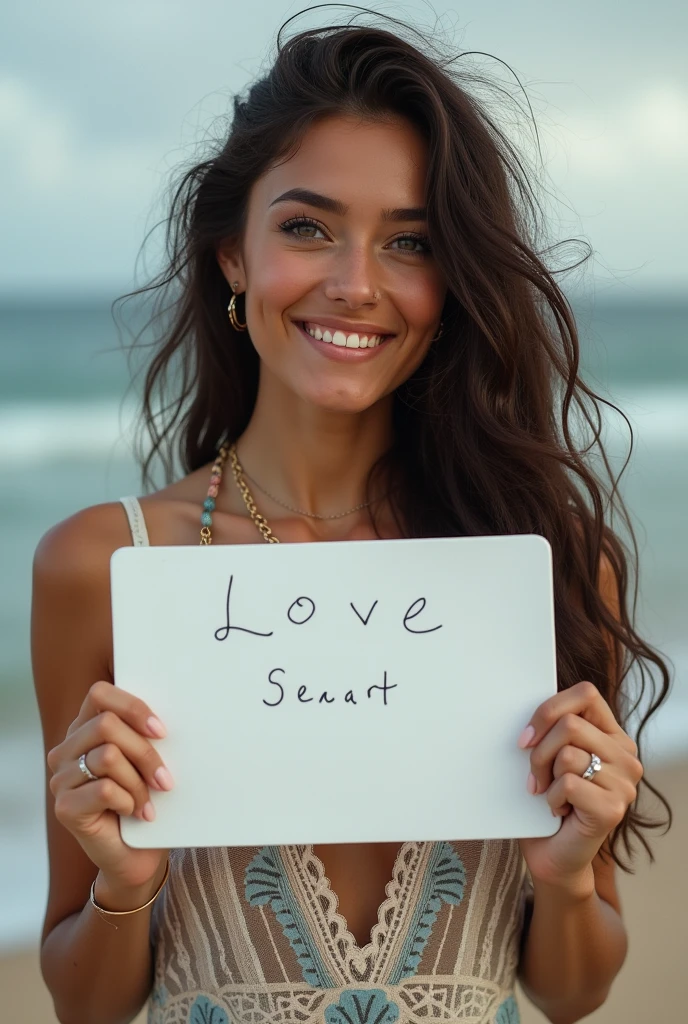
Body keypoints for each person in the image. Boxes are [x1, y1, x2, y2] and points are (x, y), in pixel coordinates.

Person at [32, 13, 671, 1024]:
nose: (356, 284)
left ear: (451, 279)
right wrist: (124, 880)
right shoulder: (105, 563)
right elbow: (85, 1005)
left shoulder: (541, 563)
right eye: (306, 227)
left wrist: (569, 867)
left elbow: (572, 990)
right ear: (230, 256)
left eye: (409, 241)